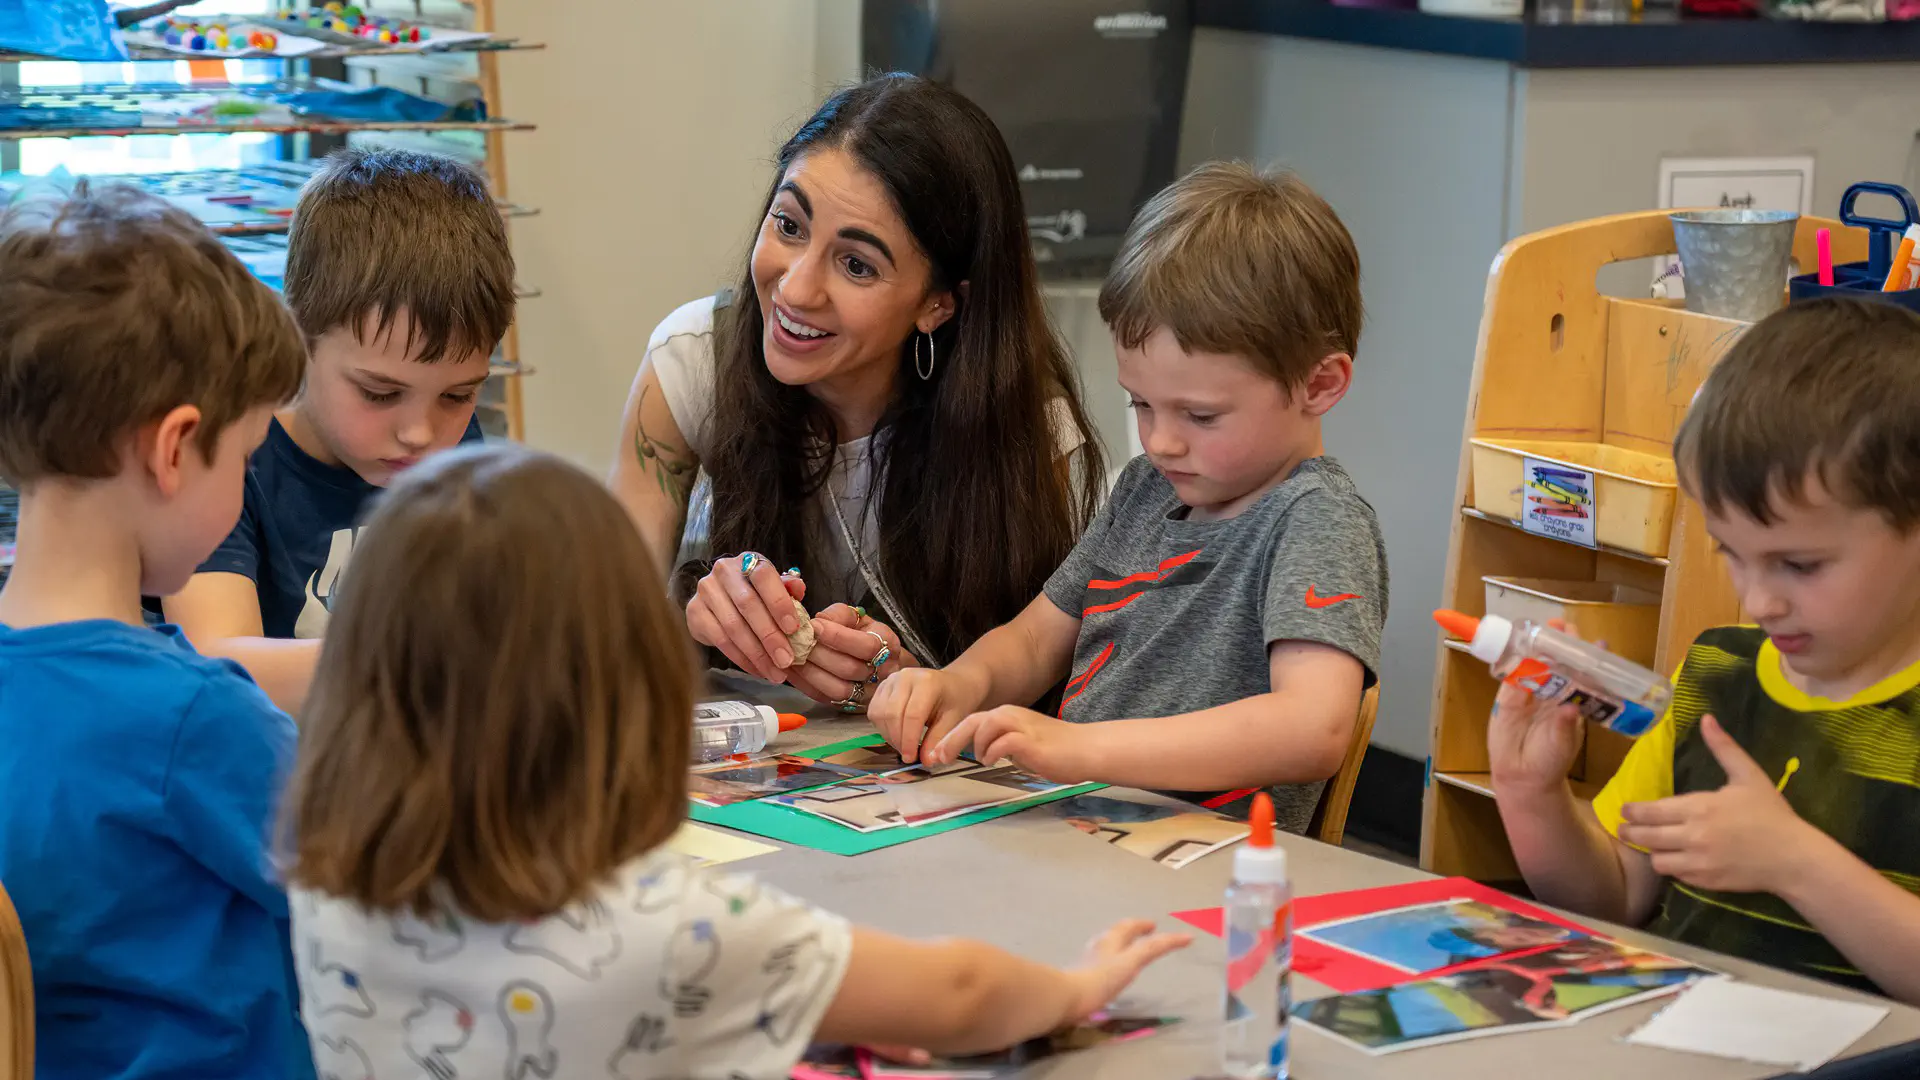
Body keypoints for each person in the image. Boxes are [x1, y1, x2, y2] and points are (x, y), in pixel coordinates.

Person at [280, 444, 1188, 1079]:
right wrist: (1075, 987)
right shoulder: (672, 931)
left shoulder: (324, 887)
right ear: (625, 693)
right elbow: (958, 991)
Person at [867, 162, 1387, 833]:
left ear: (1319, 385)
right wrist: (954, 686)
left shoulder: (1315, 520)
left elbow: (1311, 728)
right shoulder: (1147, 490)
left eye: (1200, 416)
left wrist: (1082, 750)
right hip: (1075, 839)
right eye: (1141, 403)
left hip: (1195, 878)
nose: (1161, 441)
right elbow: (1033, 645)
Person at [609, 73, 1106, 712]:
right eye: (788, 226)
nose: (794, 290)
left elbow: (1041, 683)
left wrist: (916, 684)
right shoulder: (690, 358)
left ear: (939, 304)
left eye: (857, 265)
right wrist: (696, 621)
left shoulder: (1031, 429)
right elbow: (607, 633)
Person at [1488, 299, 1920, 1004]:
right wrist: (1531, 796)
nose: (1759, 601)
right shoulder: (1717, 674)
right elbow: (1616, 898)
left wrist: (1795, 862)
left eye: (1800, 565)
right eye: (1732, 555)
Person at [0, 183, 312, 1078]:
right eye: (245, 458)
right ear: (174, 448)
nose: (246, 484)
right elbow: (378, 898)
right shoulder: (196, 719)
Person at [165, 147, 515, 713]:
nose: (421, 434)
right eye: (379, 393)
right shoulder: (226, 454)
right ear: (297, 336)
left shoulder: (454, 446)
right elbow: (217, 665)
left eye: (458, 395)